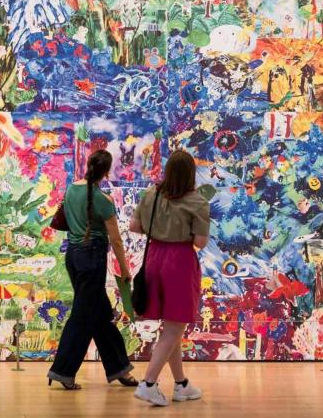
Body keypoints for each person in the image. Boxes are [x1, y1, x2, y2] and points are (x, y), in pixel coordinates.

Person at [47, 150, 138, 390]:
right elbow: (116, 241)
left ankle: (120, 369)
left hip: (74, 258)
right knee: (83, 316)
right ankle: (62, 371)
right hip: (92, 259)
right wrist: (126, 270)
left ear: (88, 165)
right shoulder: (103, 200)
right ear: (106, 172)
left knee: (100, 315)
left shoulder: (71, 189)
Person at [129, 150, 210, 406]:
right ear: (191, 174)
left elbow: (134, 226)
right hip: (179, 263)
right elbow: (200, 242)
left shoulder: (151, 194)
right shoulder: (197, 201)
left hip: (153, 258)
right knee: (174, 326)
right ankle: (149, 384)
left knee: (171, 328)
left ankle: (181, 384)